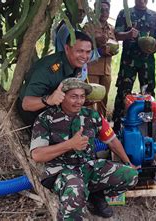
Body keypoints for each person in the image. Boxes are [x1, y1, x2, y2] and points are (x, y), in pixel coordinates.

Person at [30, 78, 138, 219]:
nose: (79, 101)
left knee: (130, 176)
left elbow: (112, 140)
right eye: (74, 96)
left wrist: (128, 162)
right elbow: (37, 155)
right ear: (62, 97)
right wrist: (69, 144)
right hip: (62, 171)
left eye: (82, 96)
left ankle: (94, 195)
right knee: (76, 191)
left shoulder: (91, 116)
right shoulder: (46, 118)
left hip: (88, 167)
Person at [17, 31, 92, 126]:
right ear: (67, 49)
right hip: (33, 115)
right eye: (79, 51)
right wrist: (49, 100)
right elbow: (26, 104)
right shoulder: (49, 70)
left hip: (53, 110)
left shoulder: (76, 64)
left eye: (88, 52)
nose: (85, 56)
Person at [112, 0, 156, 133]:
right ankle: (117, 128)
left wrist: (154, 46)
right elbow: (116, 35)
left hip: (147, 61)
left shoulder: (155, 16)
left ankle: (149, 129)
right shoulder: (125, 13)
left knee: (148, 94)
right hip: (129, 60)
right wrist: (128, 34)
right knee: (123, 91)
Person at [83, 0, 117, 117]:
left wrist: (112, 51)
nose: (104, 13)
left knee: (103, 99)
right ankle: (89, 123)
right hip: (92, 69)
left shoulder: (111, 28)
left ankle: (102, 124)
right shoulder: (89, 27)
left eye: (106, 10)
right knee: (91, 98)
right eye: (101, 10)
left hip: (106, 70)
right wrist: (97, 43)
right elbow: (83, 46)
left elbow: (115, 46)